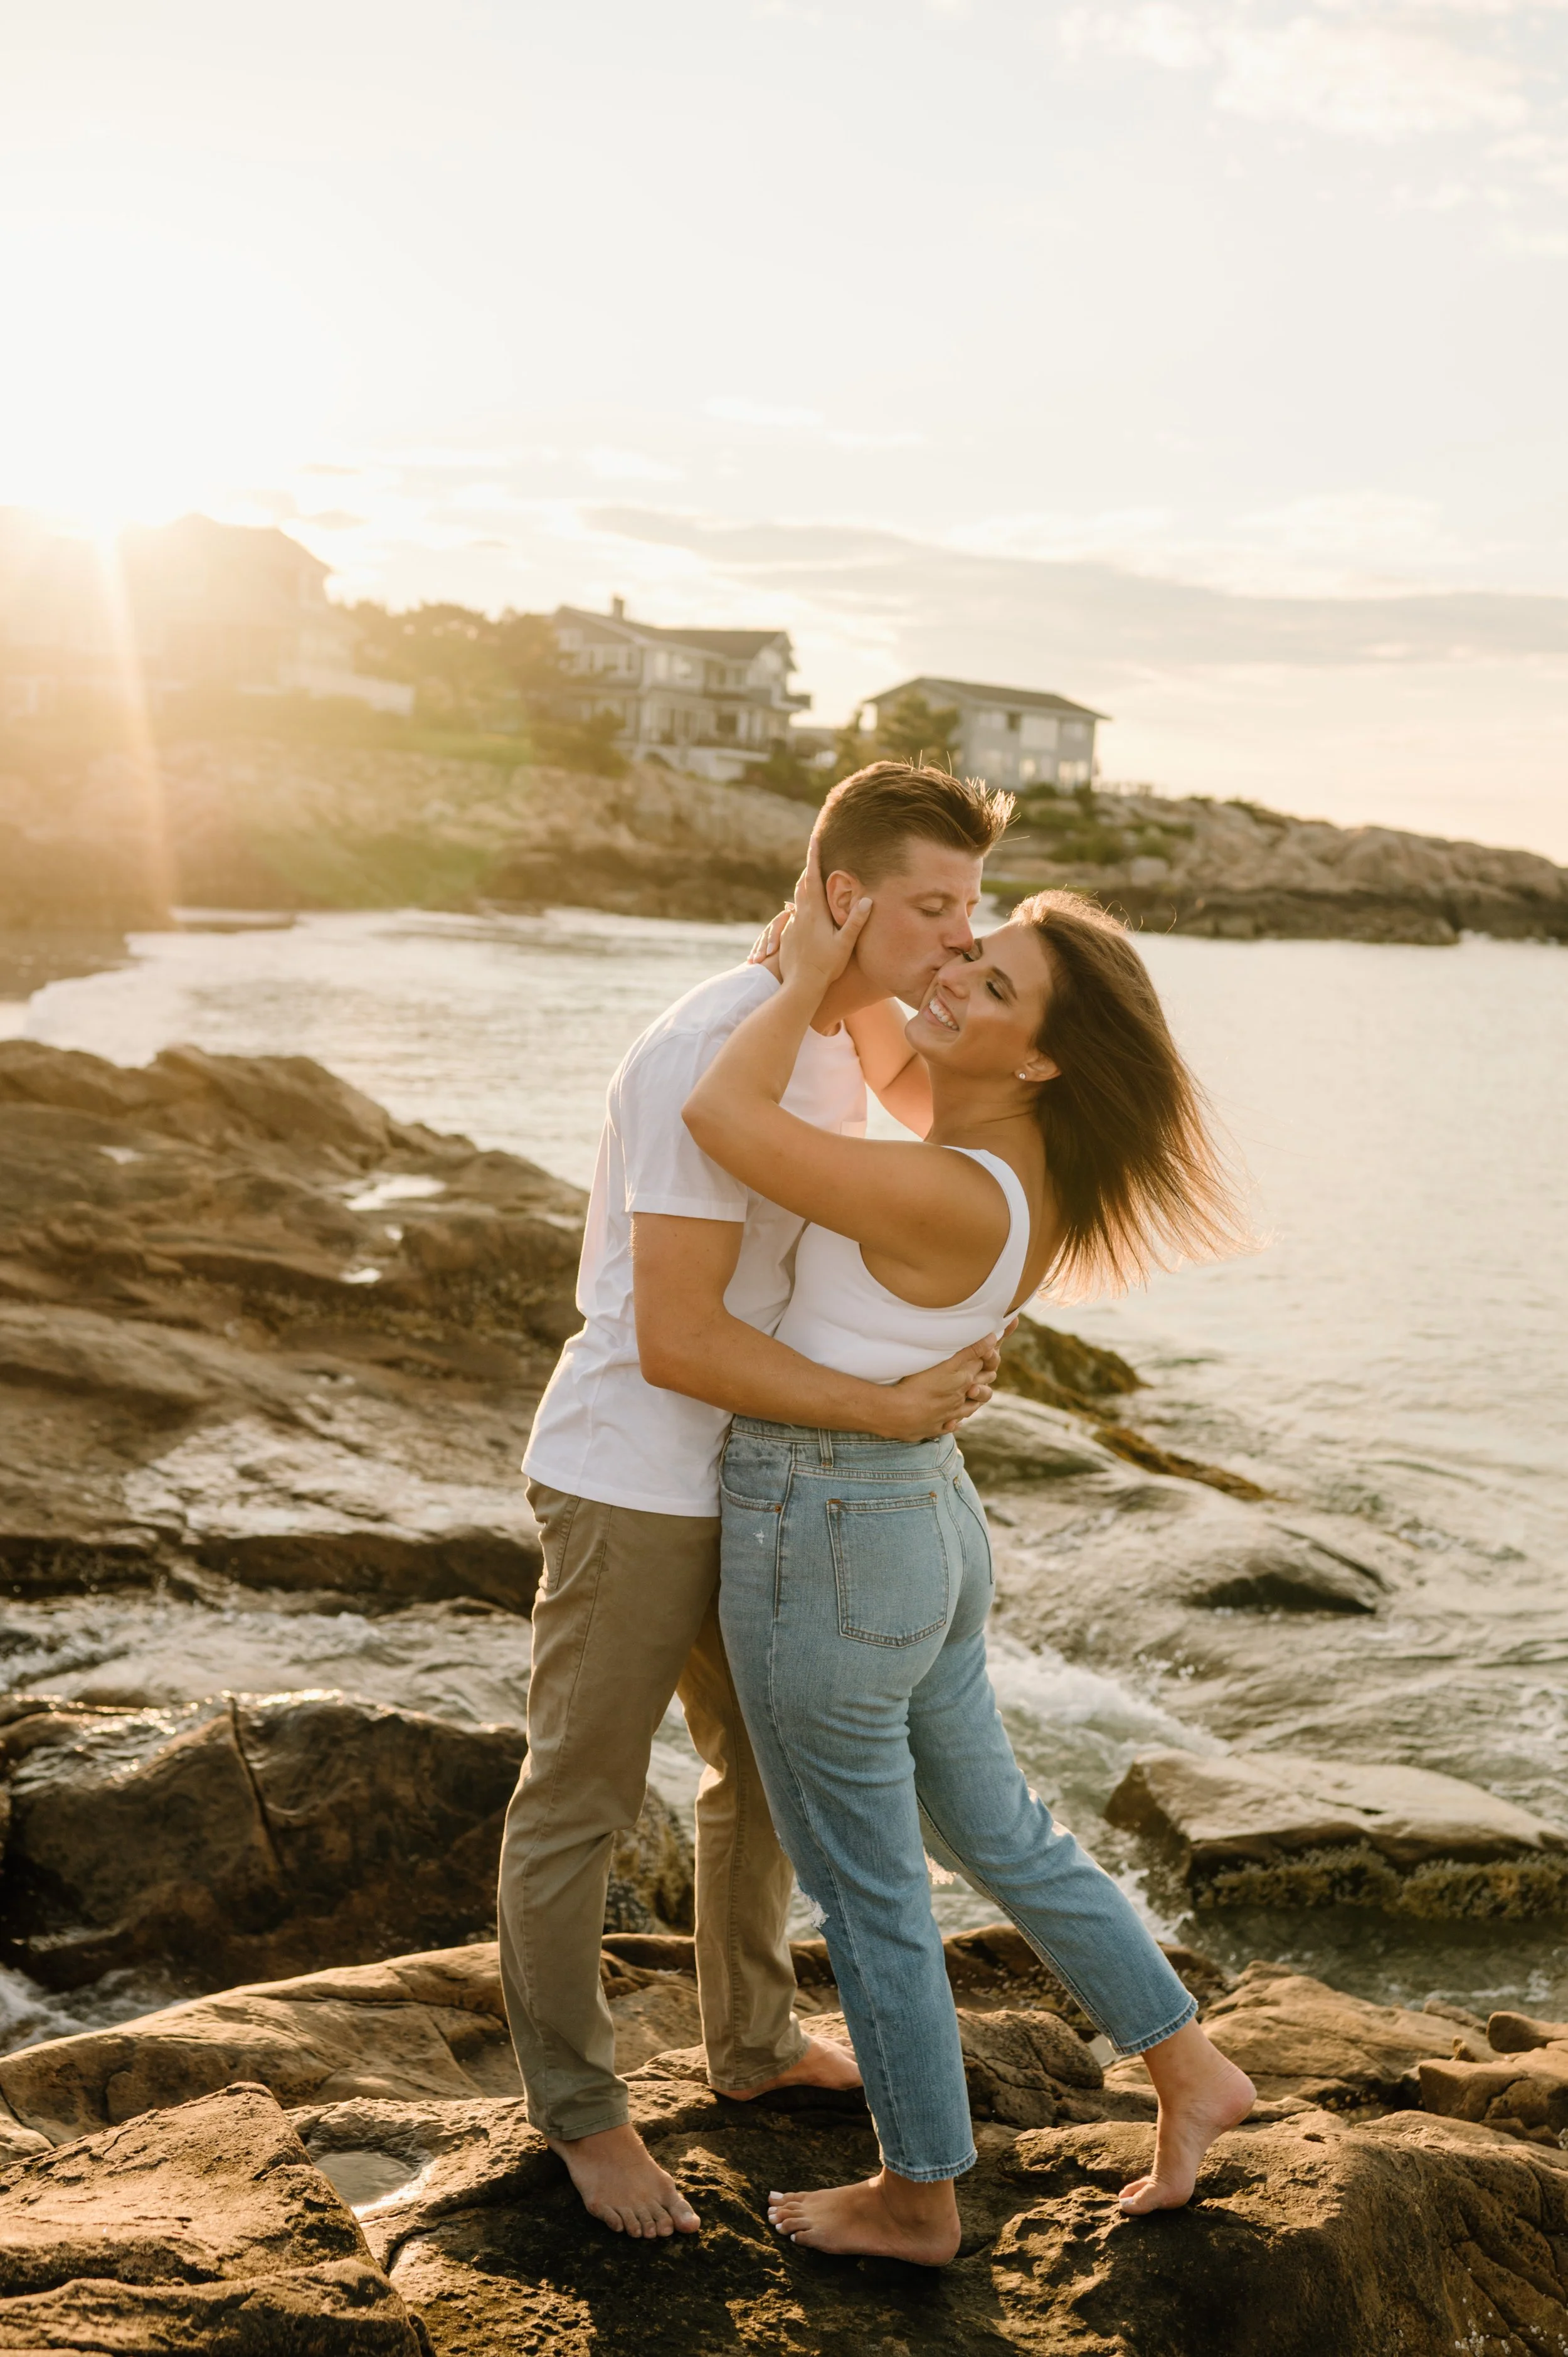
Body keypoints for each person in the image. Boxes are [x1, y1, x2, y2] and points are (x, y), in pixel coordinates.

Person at [682, 838, 1257, 2265]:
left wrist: (814, 964)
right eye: (964, 941)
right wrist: (864, 948)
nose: (952, 972)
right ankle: (1190, 2069)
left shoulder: (944, 1189)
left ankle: (920, 2195)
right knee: (1002, 1832)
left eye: (987, 977)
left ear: (1042, 1055)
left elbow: (717, 1111)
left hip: (831, 1526)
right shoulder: (1008, 1156)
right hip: (917, 1518)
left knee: (873, 1884)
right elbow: (889, 1050)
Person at [500, 762, 1015, 2240]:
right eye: (931, 907)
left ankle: (748, 2043)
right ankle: (584, 2117)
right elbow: (679, 1335)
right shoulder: (706, 1050)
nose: (957, 941)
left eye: (970, 910)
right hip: (635, 1478)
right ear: (842, 899)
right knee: (581, 1804)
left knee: (763, 1780)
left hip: (753, 1471)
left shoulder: (839, 1038)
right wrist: (885, 1410)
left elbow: (927, 1196)